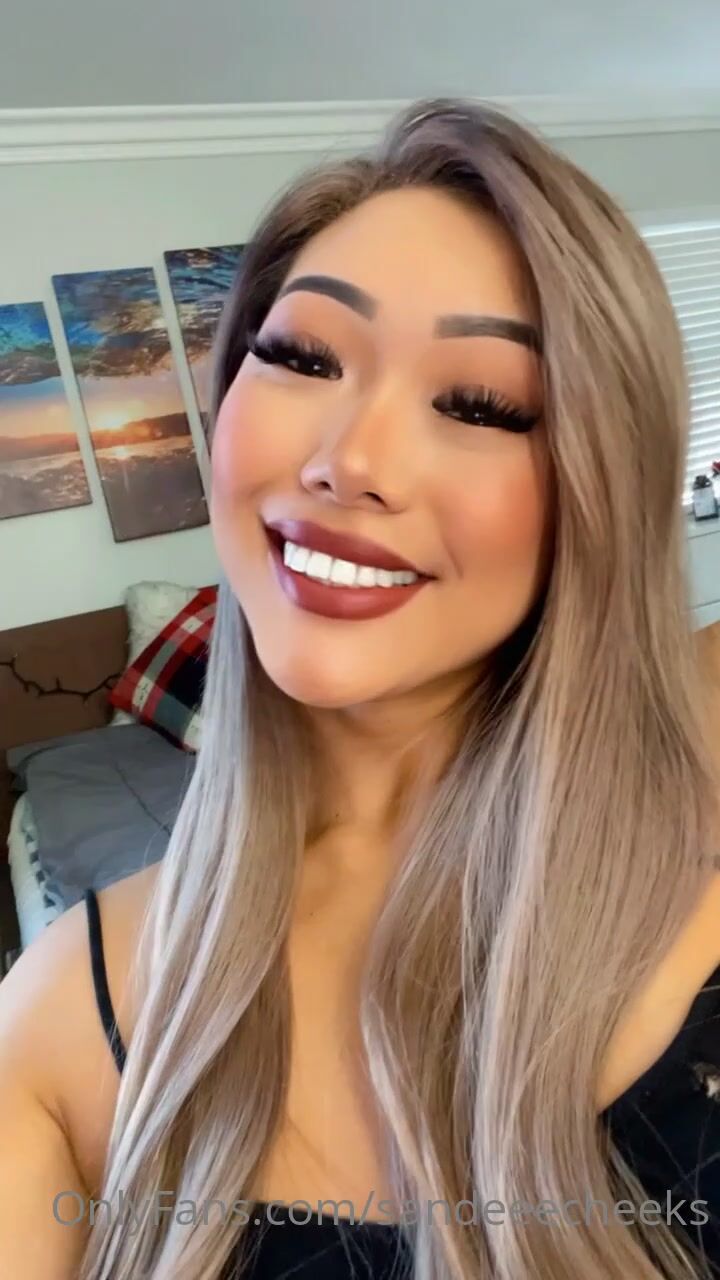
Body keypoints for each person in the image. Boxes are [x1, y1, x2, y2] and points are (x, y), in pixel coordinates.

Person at [1, 95, 719, 1280]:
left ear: (601, 490)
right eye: (301, 357)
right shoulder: (59, 1015)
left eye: (480, 403)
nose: (350, 461)